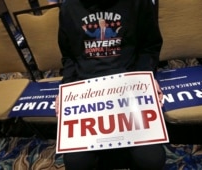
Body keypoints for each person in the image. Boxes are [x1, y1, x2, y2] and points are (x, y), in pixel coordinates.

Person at [56, 0, 165, 169]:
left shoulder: (139, 3)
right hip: (87, 91)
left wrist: (147, 78)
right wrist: (67, 89)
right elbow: (69, 56)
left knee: (151, 160)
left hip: (129, 87)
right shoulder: (68, 7)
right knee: (76, 162)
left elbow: (149, 46)